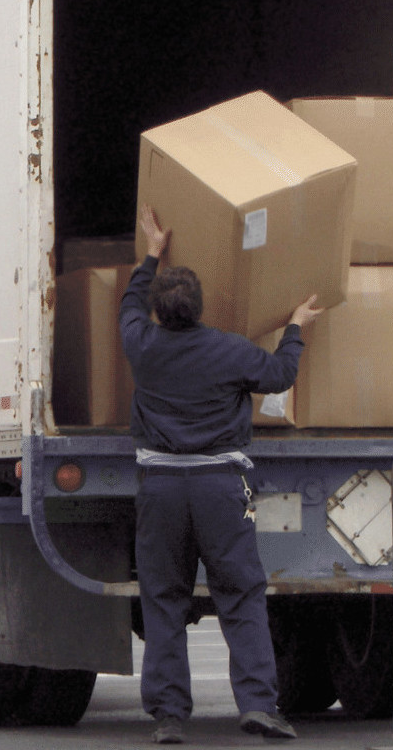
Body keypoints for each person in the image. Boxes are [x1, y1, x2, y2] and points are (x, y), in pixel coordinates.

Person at [123, 204, 323, 745]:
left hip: (161, 489)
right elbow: (280, 375)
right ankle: (258, 704)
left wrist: (151, 254)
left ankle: (168, 716)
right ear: (202, 307)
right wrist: (295, 329)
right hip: (219, 488)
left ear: (160, 313)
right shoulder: (229, 351)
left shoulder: (142, 347)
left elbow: (128, 307)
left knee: (164, 598)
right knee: (240, 595)